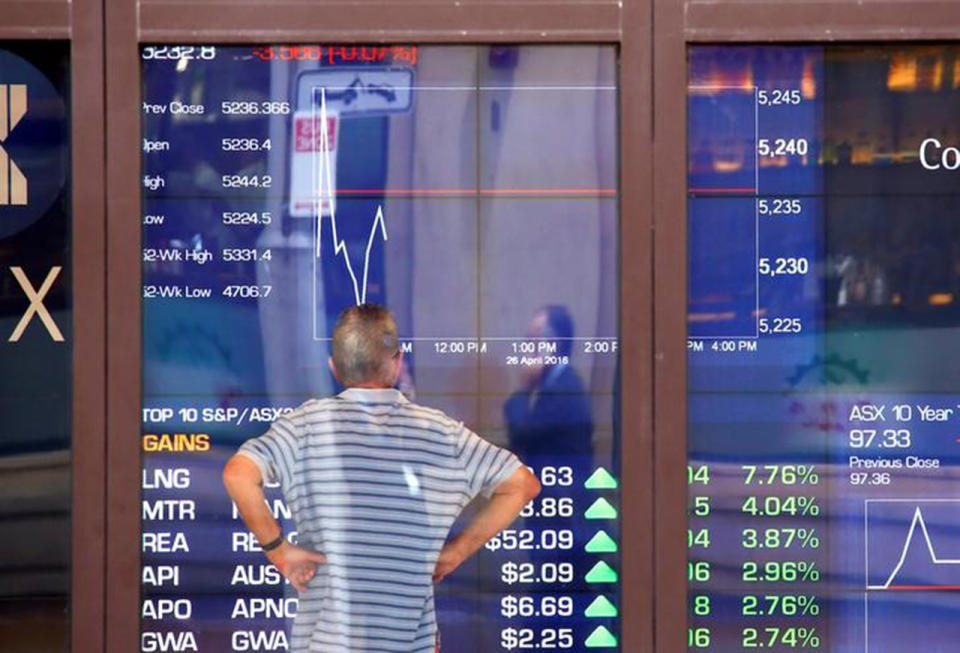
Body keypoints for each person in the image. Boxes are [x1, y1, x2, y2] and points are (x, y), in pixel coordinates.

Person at [223, 304, 540, 653]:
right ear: (397, 360)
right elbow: (522, 484)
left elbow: (238, 474)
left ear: (334, 366)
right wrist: (456, 553)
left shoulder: (304, 426)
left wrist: (278, 551)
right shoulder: (439, 431)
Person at [504, 305, 593, 459]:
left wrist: (525, 386)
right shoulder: (555, 382)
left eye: (534, 338)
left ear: (554, 343)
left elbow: (520, 436)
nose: (527, 347)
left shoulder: (565, 389)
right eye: (528, 339)